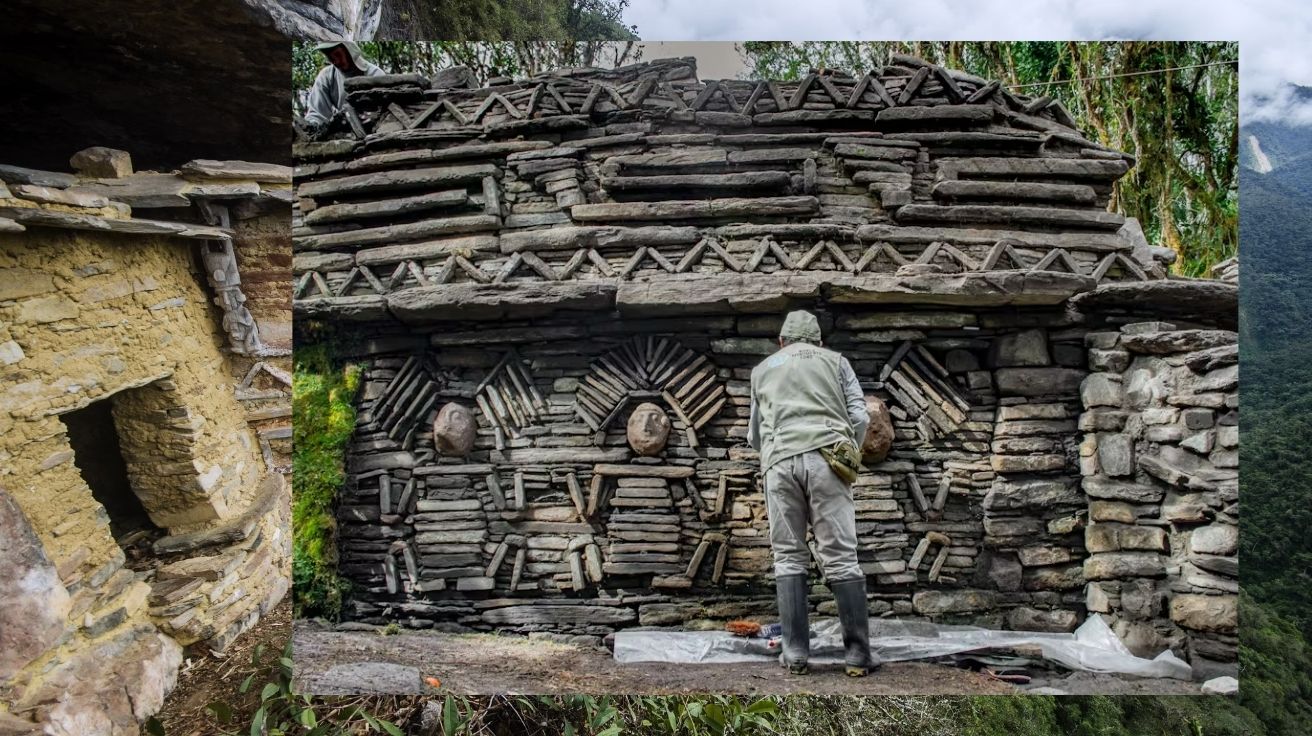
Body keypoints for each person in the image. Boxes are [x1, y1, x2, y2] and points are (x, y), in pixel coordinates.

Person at [747, 310, 878, 676]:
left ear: (781, 342)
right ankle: (857, 657)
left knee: (788, 555)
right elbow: (861, 416)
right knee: (840, 554)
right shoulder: (836, 362)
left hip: (779, 462)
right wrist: (848, 447)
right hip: (828, 459)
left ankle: (795, 655)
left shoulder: (762, 370)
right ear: (820, 342)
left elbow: (754, 436)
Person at [302, 41, 385, 138]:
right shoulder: (326, 77)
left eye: (338, 54)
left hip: (376, 131)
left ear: (349, 51)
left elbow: (385, 112)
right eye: (330, 57)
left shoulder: (375, 75)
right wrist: (311, 128)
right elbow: (317, 114)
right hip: (345, 134)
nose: (336, 61)